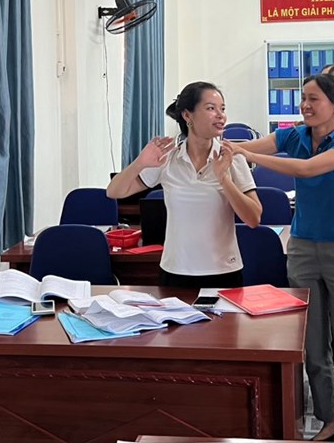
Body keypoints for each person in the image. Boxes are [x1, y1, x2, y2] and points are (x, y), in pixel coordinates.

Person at [231, 73, 334, 442]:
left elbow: (307, 169)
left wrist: (248, 155)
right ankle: (328, 421)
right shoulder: (295, 135)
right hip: (303, 249)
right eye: (303, 98)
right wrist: (219, 143)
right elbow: (249, 144)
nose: (305, 105)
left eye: (314, 99)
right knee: (313, 345)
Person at [107, 81, 261, 288]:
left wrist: (224, 178)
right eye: (211, 108)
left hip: (224, 271)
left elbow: (253, 218)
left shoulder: (231, 157)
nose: (221, 115)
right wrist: (140, 163)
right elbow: (114, 191)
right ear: (188, 115)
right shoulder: (168, 158)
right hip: (176, 271)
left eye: (222, 109)